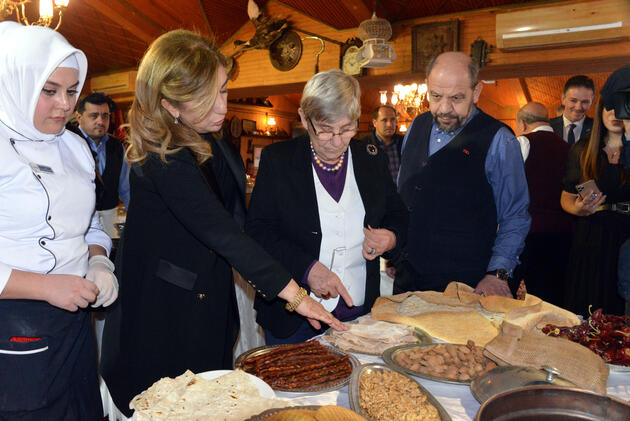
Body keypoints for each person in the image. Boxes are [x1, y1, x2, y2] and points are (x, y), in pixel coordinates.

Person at [100, 30, 346, 416]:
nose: (222, 107)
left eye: (224, 91)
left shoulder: (207, 138)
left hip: (206, 304)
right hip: (165, 319)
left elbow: (243, 223)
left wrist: (301, 267)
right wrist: (296, 296)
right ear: (170, 105)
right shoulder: (161, 158)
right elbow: (223, 233)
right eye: (209, 97)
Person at [0, 22, 118, 419]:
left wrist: (99, 261)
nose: (65, 105)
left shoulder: (75, 146)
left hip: (74, 317)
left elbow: (88, 226)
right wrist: (45, 286)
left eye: (72, 91)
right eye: (48, 91)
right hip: (15, 319)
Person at [246, 69, 408, 344]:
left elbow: (399, 214)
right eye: (324, 131)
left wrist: (391, 237)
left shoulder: (371, 159)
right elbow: (258, 232)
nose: (336, 142)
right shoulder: (279, 160)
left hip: (359, 313)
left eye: (347, 129)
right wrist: (308, 269)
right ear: (303, 118)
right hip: (293, 320)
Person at [396, 51, 530, 297]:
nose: (445, 108)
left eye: (456, 98)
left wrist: (497, 274)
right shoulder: (416, 126)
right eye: (436, 96)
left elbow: (515, 215)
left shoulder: (499, 140)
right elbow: (404, 194)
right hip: (408, 278)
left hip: (466, 284)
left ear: (476, 92)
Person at [560, 92, 630, 317]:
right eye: (609, 107)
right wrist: (578, 209)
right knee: (584, 312)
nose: (614, 114)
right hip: (590, 236)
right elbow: (566, 197)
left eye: (621, 108)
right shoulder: (583, 148)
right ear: (600, 112)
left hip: (626, 239)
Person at [513, 102, 572, 306]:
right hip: (562, 234)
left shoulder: (523, 142)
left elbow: (508, 187)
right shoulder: (568, 148)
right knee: (549, 299)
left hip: (527, 233)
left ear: (522, 123)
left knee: (508, 297)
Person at [70, 92, 130, 237]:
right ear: (79, 117)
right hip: (76, 219)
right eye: (94, 115)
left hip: (110, 216)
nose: (100, 121)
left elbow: (126, 188)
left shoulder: (116, 146)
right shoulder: (68, 142)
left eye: (105, 116)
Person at [360, 105, 404, 183]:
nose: (389, 124)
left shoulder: (404, 142)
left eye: (393, 120)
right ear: (375, 123)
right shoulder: (363, 146)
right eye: (384, 120)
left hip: (402, 193)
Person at [550, 75, 595, 145]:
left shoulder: (597, 128)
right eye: (573, 100)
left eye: (585, 102)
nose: (578, 107)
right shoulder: (549, 127)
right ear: (563, 99)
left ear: (591, 102)